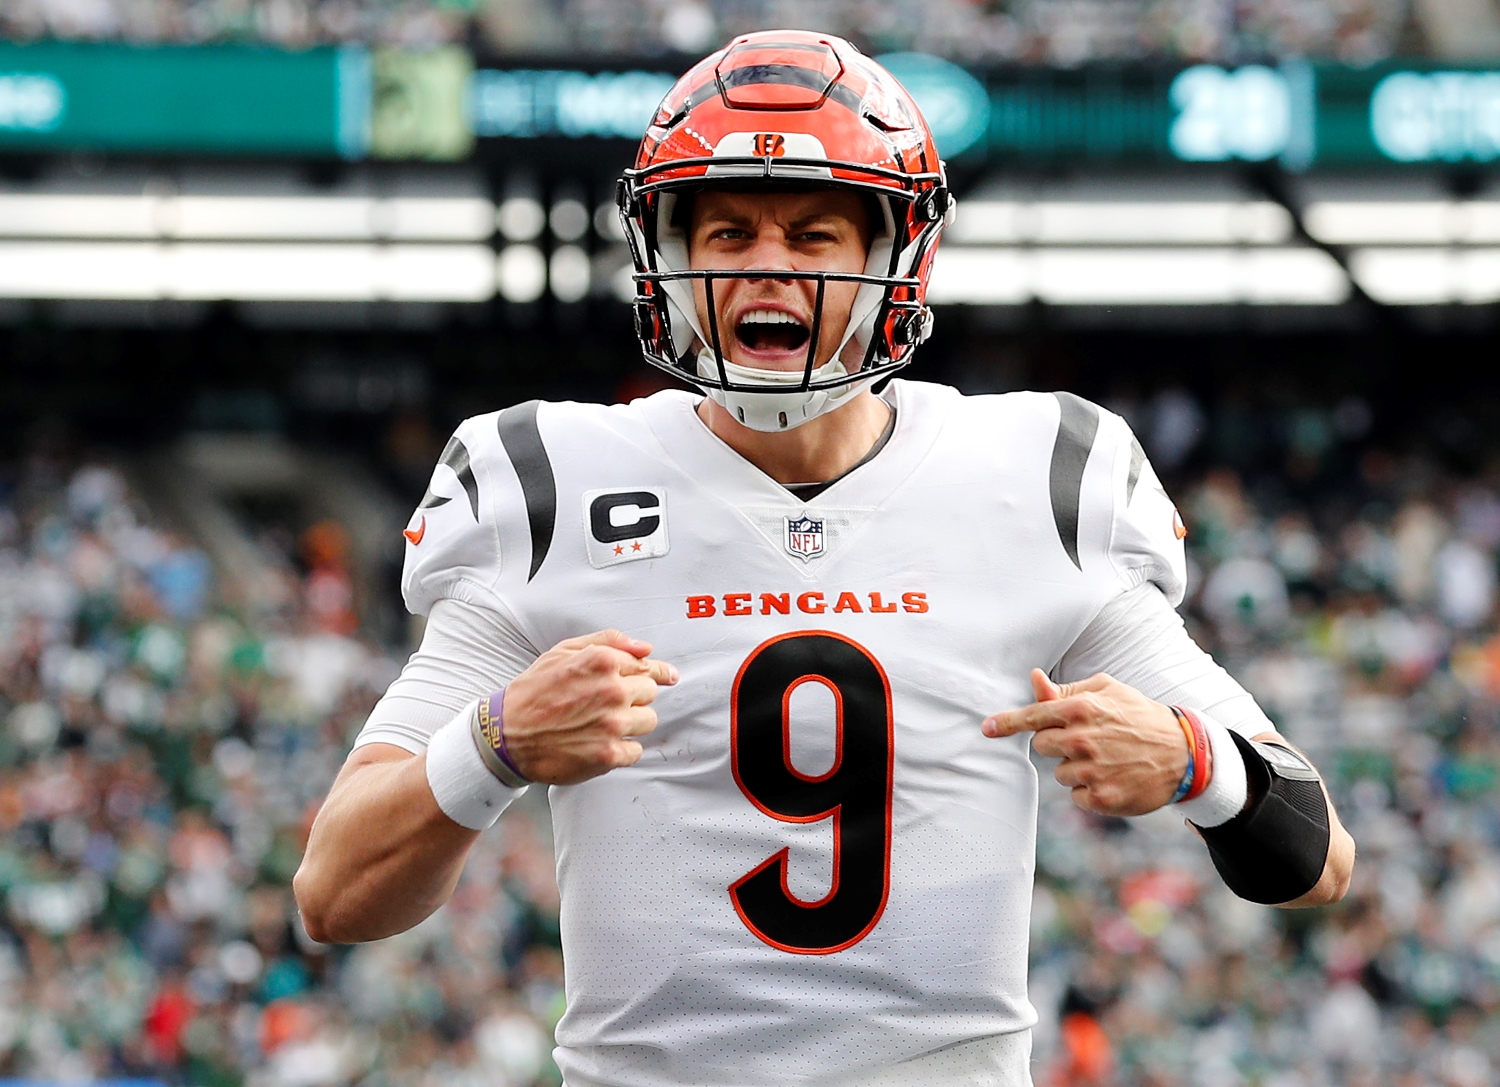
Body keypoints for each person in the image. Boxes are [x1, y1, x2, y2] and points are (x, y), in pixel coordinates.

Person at [294, 31, 1355, 1087]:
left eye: (812, 236)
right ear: (667, 247)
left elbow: (1317, 856)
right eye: (727, 230)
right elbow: (334, 890)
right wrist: (496, 743)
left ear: (895, 256)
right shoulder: (545, 480)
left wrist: (1194, 760)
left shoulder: (1042, 477)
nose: (767, 266)